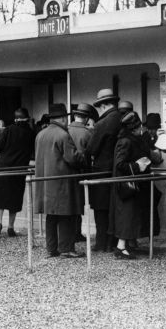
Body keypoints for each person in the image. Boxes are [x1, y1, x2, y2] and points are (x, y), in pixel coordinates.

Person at [34, 103, 86, 258]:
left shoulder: (40, 134)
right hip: (61, 182)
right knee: (66, 215)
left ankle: (51, 248)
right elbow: (72, 158)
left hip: (44, 183)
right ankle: (66, 248)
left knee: (51, 216)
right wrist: (83, 155)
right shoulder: (63, 135)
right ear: (63, 118)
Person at [110, 112, 153, 259]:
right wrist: (137, 165)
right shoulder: (126, 141)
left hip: (129, 183)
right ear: (135, 127)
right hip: (126, 185)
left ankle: (124, 246)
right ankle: (121, 247)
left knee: (129, 215)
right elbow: (119, 164)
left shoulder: (128, 140)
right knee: (126, 215)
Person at [0, 107, 35, 237]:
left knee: (0, 198)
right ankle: (11, 227)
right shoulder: (31, 133)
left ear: (15, 119)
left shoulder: (9, 130)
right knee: (14, 198)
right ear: (27, 119)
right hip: (19, 169)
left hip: (2, 167)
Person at [87, 88, 122, 252]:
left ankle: (102, 243)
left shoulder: (102, 123)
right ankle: (114, 242)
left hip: (102, 170)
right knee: (115, 208)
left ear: (102, 105)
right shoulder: (122, 118)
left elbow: (92, 149)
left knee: (101, 209)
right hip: (119, 170)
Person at [68, 103, 95, 242]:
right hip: (82, 171)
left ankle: (71, 232)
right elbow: (92, 152)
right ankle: (77, 232)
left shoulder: (65, 130)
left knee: (70, 202)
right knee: (79, 202)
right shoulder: (87, 133)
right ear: (86, 119)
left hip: (67, 172)